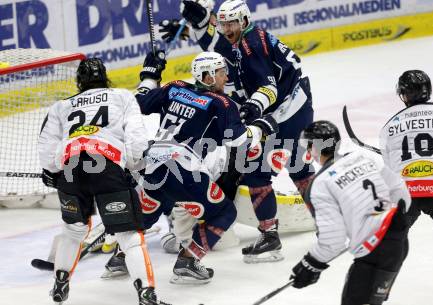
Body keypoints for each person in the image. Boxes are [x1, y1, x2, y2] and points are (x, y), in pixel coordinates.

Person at [161, 0, 315, 263]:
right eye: (222, 23)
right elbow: (219, 50)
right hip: (297, 107)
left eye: (231, 23)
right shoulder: (246, 39)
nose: (226, 28)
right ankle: (330, 221)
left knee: (255, 173)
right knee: (299, 169)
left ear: (244, 20)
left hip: (285, 112)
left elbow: (269, 88)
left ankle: (270, 237)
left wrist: (254, 106)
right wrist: (198, 26)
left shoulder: (251, 45)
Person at [130, 49, 279, 284]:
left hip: (152, 165)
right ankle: (188, 260)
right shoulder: (222, 103)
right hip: (183, 169)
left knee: (144, 216)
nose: (226, 78)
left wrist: (149, 75)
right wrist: (261, 126)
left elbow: (137, 103)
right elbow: (238, 141)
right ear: (208, 76)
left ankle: (119, 257)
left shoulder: (174, 87)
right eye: (221, 73)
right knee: (225, 212)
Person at [38, 58, 169, 305]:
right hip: (106, 167)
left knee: (73, 231)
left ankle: (60, 282)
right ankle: (146, 295)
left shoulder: (61, 106)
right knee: (129, 236)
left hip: (71, 170)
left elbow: (47, 151)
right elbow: (137, 139)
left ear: (79, 82)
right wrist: (132, 165)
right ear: (106, 77)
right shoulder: (121, 96)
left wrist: (53, 171)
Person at [289, 120, 411, 305]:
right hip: (399, 241)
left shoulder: (320, 185)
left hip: (375, 252)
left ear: (314, 148)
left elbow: (333, 240)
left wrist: (310, 264)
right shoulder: (363, 157)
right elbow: (400, 190)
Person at [380, 70, 433, 228]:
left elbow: (389, 169)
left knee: (389, 241)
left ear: (405, 95)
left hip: (407, 192)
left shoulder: (389, 126)